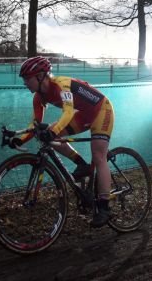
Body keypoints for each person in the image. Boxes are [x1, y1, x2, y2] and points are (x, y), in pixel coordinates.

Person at [12, 56, 115, 228]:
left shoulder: (62, 84)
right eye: (24, 79)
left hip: (102, 110)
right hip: (84, 114)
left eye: (27, 79)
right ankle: (81, 164)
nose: (25, 83)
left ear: (40, 76)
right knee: (45, 135)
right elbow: (35, 125)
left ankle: (104, 206)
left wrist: (53, 131)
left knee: (98, 156)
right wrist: (19, 138)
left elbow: (67, 114)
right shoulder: (38, 97)